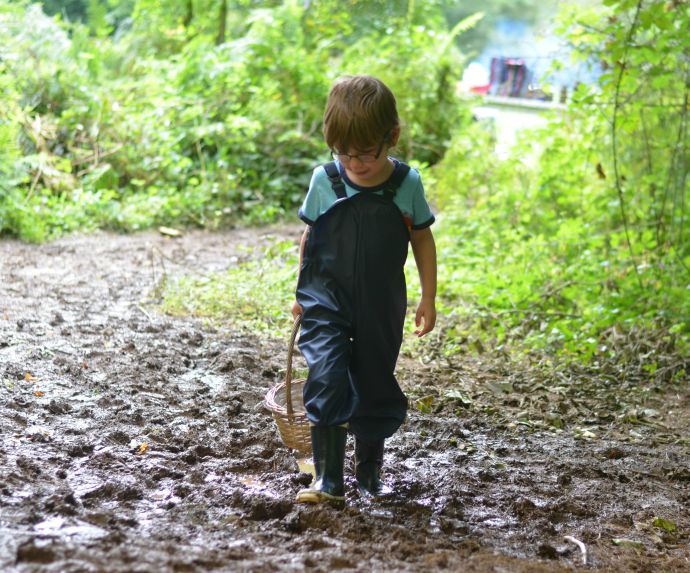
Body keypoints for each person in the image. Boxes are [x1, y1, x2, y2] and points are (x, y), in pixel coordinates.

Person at [291, 75, 437, 504]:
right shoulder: (326, 180)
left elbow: (423, 240)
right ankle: (328, 478)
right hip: (326, 298)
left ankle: (369, 470)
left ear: (391, 137)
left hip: (380, 302)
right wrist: (301, 293)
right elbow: (311, 237)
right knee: (326, 373)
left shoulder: (405, 185)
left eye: (366, 152)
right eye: (343, 152)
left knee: (373, 379)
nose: (354, 163)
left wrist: (428, 297)